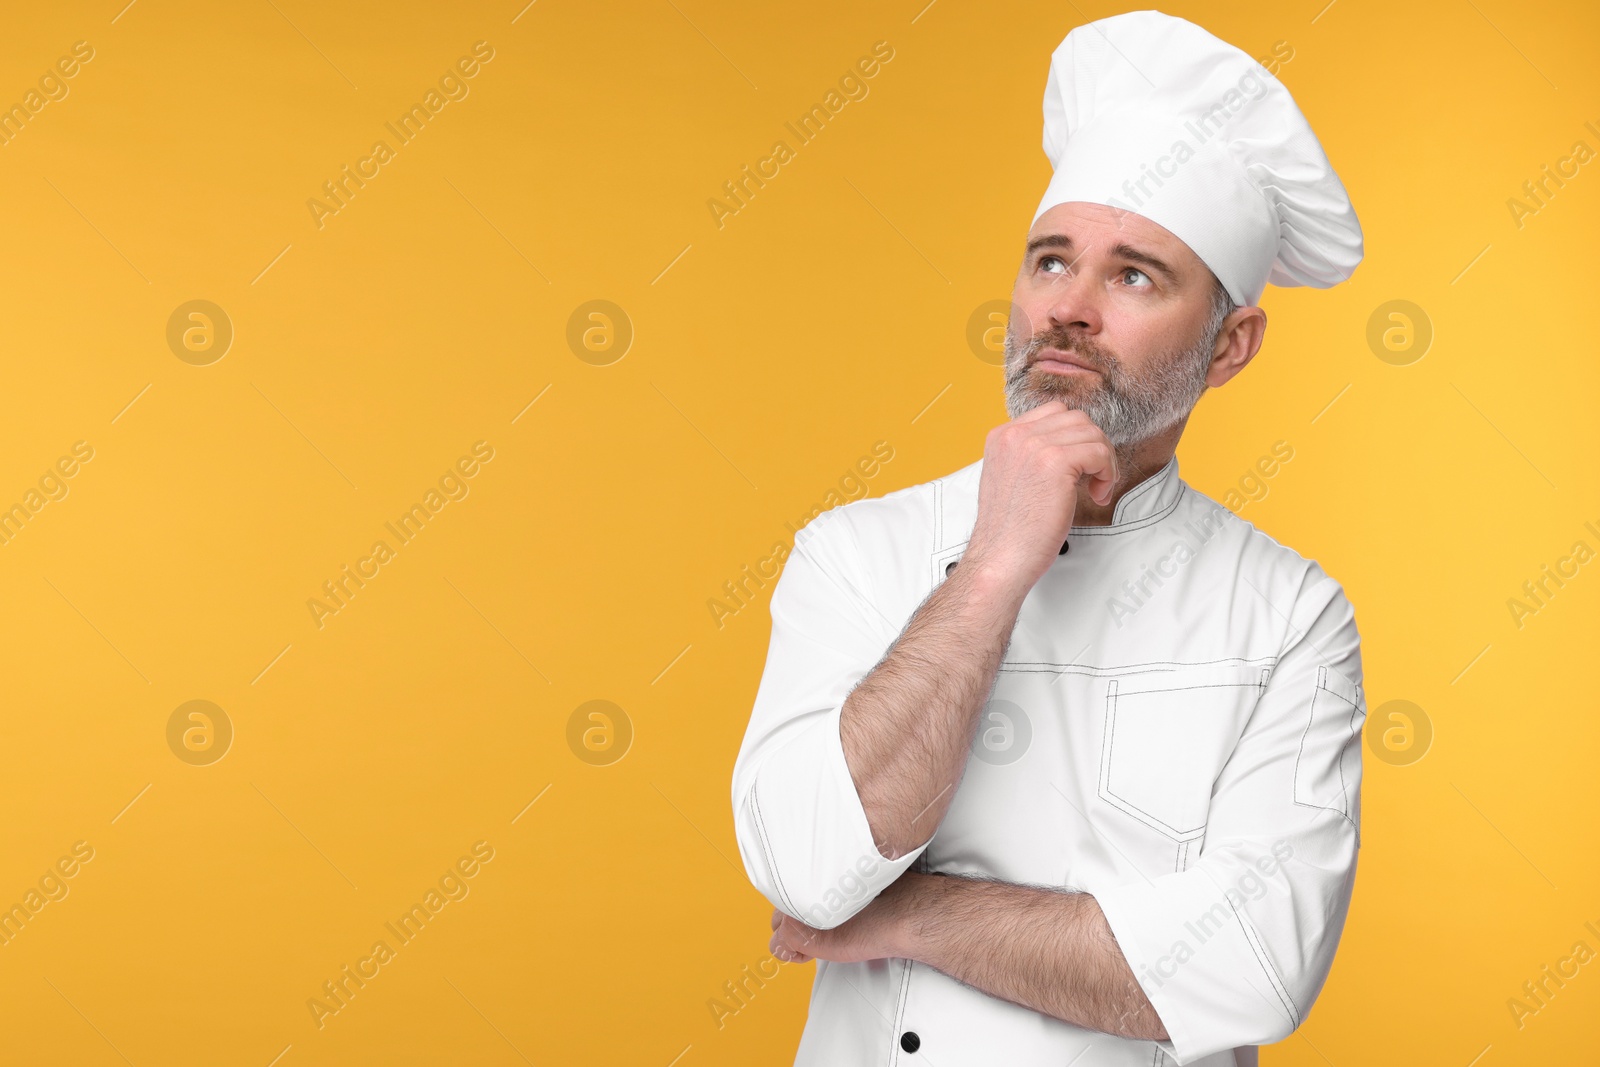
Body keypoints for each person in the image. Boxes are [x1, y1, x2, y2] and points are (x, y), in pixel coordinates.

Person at [730, 10, 1368, 1066]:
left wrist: (911, 916)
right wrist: (992, 567)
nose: (1067, 310)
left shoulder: (1289, 614)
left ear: (1228, 346)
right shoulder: (853, 552)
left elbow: (1252, 967)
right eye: (1049, 260)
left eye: (1132, 276)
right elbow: (806, 869)